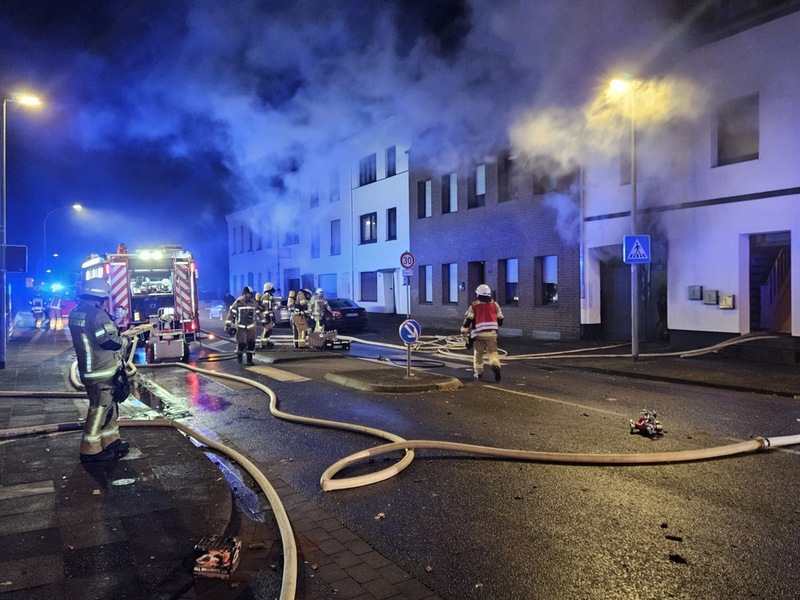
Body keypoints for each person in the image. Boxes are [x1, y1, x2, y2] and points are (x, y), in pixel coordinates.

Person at [68, 278, 132, 462]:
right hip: (101, 370)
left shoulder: (77, 312)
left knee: (108, 407)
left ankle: (111, 441)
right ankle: (90, 450)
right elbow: (109, 341)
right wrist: (127, 340)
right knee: (99, 410)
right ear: (101, 296)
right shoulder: (97, 314)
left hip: (90, 368)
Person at [460, 284, 504, 381]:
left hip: (478, 334)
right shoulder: (494, 305)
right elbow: (501, 319)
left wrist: (463, 331)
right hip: (492, 334)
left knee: (478, 354)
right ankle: (495, 366)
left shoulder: (474, 306)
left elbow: (468, 320)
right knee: (493, 353)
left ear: (478, 294)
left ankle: (478, 373)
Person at [225, 286, 265, 365]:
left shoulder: (254, 303)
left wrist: (264, 322)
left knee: (251, 344)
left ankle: (249, 360)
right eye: (245, 294)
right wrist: (227, 325)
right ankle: (239, 356)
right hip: (241, 328)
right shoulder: (238, 302)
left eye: (248, 294)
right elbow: (231, 313)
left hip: (251, 328)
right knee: (241, 343)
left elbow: (259, 314)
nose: (247, 295)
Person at [260, 282, 277, 349]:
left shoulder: (269, 296)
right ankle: (263, 344)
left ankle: (267, 342)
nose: (273, 289)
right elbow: (266, 306)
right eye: (272, 287)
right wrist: (267, 315)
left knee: (269, 329)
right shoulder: (266, 296)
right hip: (266, 315)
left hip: (269, 315)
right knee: (267, 329)